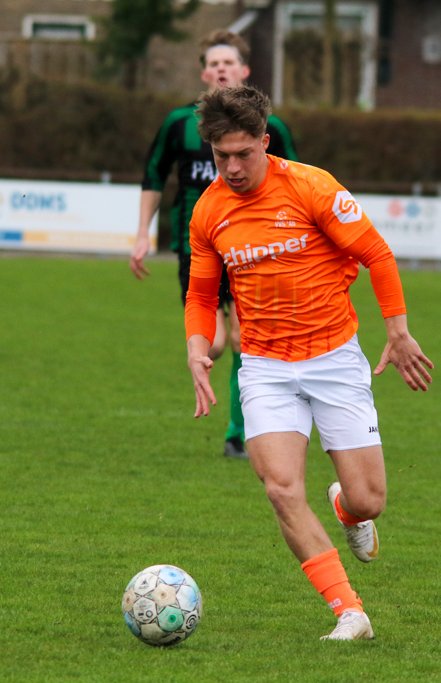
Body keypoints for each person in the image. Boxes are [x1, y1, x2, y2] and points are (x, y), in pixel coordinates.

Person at [184, 86, 433, 640]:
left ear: (265, 142)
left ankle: (346, 509)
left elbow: (376, 254)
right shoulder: (209, 210)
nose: (232, 168)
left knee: (370, 499)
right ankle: (349, 611)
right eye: (221, 156)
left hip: (334, 358)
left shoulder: (311, 187)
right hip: (265, 367)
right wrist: (197, 348)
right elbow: (200, 295)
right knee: (281, 489)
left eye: (243, 154)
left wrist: (397, 331)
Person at [131, 30, 298, 459]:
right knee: (216, 344)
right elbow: (154, 174)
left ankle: (238, 434)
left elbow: (298, 183)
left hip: (253, 248)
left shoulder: (271, 128)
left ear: (244, 71)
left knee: (245, 340)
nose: (222, 68)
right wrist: (142, 233)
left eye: (230, 62)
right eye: (214, 63)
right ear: (205, 73)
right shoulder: (178, 123)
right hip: (198, 248)